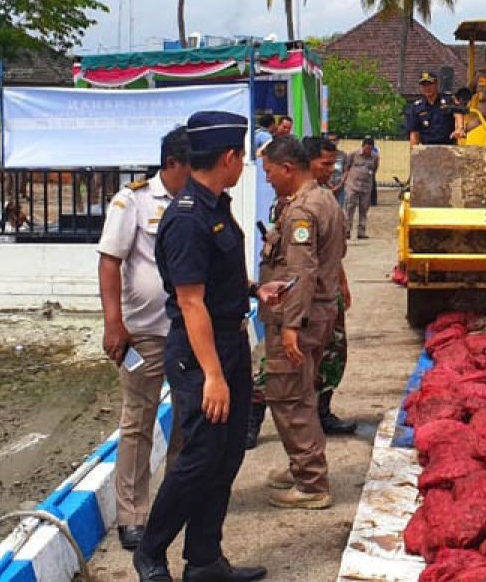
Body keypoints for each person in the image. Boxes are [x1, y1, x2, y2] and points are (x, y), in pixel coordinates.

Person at [133, 110, 279, 582]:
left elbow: (217, 280)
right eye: (243, 157)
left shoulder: (216, 206)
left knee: (227, 453)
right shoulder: (187, 219)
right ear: (229, 157)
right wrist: (213, 375)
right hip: (201, 354)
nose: (245, 165)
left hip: (229, 342)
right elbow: (190, 303)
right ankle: (151, 552)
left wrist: (255, 290)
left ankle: (204, 559)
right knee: (199, 456)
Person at [98, 126, 190, 552]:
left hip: (188, 330)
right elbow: (110, 263)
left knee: (189, 420)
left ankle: (175, 503)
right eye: (192, 166)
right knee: (138, 422)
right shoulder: (132, 201)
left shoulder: (196, 201)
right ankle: (132, 515)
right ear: (172, 163)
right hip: (144, 333)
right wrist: (113, 323)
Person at [258, 136, 346, 509]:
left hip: (300, 318)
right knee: (302, 392)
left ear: (288, 169)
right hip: (320, 312)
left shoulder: (301, 212)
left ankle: (311, 483)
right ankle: (303, 466)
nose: (268, 180)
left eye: (270, 173)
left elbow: (301, 272)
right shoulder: (324, 198)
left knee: (290, 396)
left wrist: (291, 324)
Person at [302, 136, 355, 435]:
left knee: (334, 353)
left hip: (329, 289)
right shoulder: (296, 201)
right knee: (283, 364)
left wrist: (342, 283)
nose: (331, 169)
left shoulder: (325, 196)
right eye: (325, 164)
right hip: (307, 295)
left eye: (333, 163)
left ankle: (322, 411)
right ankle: (252, 419)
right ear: (307, 162)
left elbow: (331, 250)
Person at [407, 72, 464, 146]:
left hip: (448, 147)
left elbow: (458, 113)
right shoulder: (417, 107)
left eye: (430, 84)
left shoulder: (449, 100)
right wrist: (413, 153)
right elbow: (414, 133)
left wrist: (460, 128)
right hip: (426, 148)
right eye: (424, 85)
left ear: (436, 84)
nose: (427, 88)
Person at [343, 137, 378, 239]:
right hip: (352, 185)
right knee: (349, 208)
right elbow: (346, 167)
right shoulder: (353, 155)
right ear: (362, 146)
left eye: (370, 149)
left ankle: (361, 232)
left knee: (364, 208)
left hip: (366, 187)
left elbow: (375, 169)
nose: (368, 151)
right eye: (366, 148)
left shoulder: (375, 157)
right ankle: (347, 230)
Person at [326, 133, 348, 208]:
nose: (332, 142)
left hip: (340, 187)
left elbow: (345, 171)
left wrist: (340, 184)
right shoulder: (323, 154)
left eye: (334, 140)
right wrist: (328, 184)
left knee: (339, 209)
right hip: (326, 186)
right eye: (329, 140)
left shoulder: (343, 155)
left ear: (338, 141)